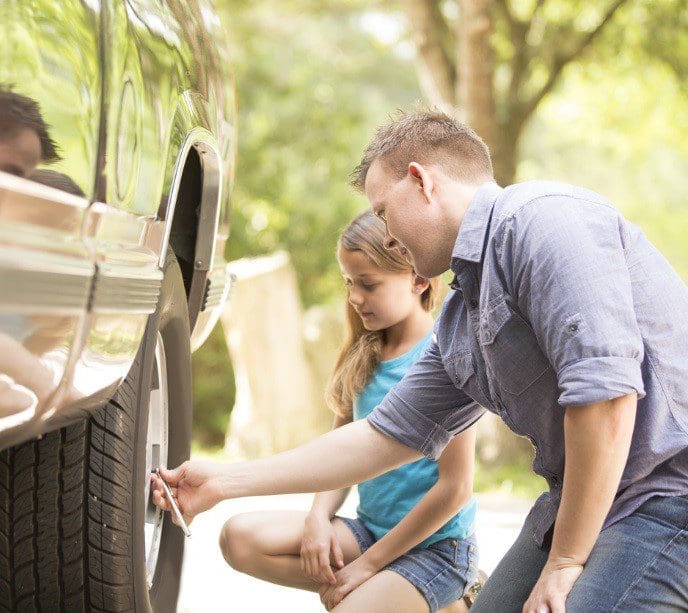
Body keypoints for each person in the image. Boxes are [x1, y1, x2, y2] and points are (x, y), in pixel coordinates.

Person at [152, 110, 688, 612]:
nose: (385, 234)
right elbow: (378, 438)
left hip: (667, 494)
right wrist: (225, 481)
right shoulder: (462, 319)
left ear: (421, 180)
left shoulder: (544, 222)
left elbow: (607, 397)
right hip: (584, 499)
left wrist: (565, 562)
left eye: (384, 210)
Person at [216, 210, 478, 612]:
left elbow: (456, 488)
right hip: (369, 535)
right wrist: (318, 517)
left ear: (418, 280)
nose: (355, 298)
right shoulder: (364, 353)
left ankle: (442, 597)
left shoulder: (446, 356)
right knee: (239, 538)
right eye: (349, 283)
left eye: (369, 285)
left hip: (437, 550)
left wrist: (369, 568)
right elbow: (338, 455)